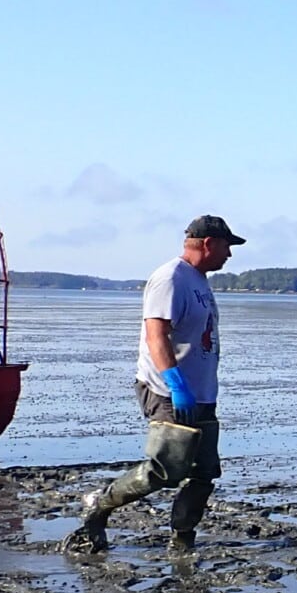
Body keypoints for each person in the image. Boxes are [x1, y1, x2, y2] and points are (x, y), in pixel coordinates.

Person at [69, 215, 243, 554]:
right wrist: (176, 383)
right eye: (227, 246)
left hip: (203, 393)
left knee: (204, 472)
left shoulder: (199, 281)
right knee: (167, 469)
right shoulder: (170, 279)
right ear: (208, 243)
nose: (229, 255)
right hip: (167, 391)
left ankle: (182, 541)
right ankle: (100, 504)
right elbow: (156, 335)